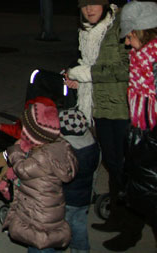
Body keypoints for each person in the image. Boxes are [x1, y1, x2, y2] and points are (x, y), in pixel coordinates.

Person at [63, 0, 130, 243]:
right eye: (84, 5)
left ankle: (129, 227)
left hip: (119, 108)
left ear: (105, 5)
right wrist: (80, 81)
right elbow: (90, 67)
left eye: (94, 4)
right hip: (98, 107)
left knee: (121, 166)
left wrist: (84, 74)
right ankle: (117, 215)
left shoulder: (117, 29)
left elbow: (122, 69)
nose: (89, 9)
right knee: (112, 164)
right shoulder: (87, 32)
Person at [108, 0, 157, 250]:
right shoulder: (141, 60)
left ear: (142, 30)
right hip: (144, 143)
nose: (126, 42)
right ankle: (130, 231)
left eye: (129, 35)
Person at [2, 102, 78, 253]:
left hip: (39, 215)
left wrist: (15, 150)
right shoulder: (57, 147)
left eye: (25, 128)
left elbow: (22, 169)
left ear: (33, 135)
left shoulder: (42, 158)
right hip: (47, 212)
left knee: (40, 246)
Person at [59, 108, 100, 253]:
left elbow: (62, 175)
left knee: (61, 228)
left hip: (67, 198)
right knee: (79, 225)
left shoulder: (69, 152)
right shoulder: (93, 145)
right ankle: (81, 249)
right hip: (83, 197)